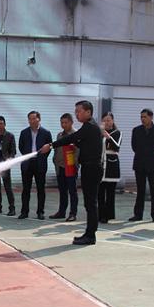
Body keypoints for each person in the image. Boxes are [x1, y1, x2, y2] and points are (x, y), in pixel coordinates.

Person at [40, 101, 102, 245]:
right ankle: (89, 233)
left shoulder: (90, 126)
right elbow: (83, 142)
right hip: (89, 168)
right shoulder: (90, 127)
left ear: (88, 112)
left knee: (91, 203)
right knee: (89, 203)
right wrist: (77, 144)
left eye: (79, 111)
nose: (77, 114)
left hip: (91, 168)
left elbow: (72, 137)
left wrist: (51, 145)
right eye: (76, 111)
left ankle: (90, 235)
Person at [130, 108, 154, 223]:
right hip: (140, 163)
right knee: (140, 190)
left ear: (151, 117)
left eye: (145, 117)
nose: (142, 119)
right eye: (141, 117)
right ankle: (138, 214)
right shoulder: (136, 130)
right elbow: (134, 146)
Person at [18, 111, 52, 219]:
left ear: (39, 119)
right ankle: (24, 212)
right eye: (30, 119)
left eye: (34, 118)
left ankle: (40, 212)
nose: (32, 121)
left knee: (40, 189)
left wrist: (42, 157)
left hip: (40, 163)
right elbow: (21, 147)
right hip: (27, 164)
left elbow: (49, 147)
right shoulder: (24, 132)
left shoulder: (46, 132)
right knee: (26, 189)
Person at [49, 113, 79, 222]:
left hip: (71, 167)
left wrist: (75, 164)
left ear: (71, 122)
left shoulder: (76, 134)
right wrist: (55, 161)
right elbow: (56, 149)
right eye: (62, 123)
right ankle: (61, 212)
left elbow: (78, 152)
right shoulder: (60, 135)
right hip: (60, 167)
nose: (64, 125)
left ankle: (73, 213)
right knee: (62, 191)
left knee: (72, 191)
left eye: (66, 122)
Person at [99, 112, 122, 223]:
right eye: (104, 120)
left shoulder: (117, 133)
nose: (106, 122)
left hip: (111, 166)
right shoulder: (99, 133)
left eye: (108, 120)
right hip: (100, 165)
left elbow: (116, 147)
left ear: (112, 121)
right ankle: (100, 214)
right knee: (100, 192)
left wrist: (108, 137)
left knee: (110, 193)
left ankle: (108, 215)